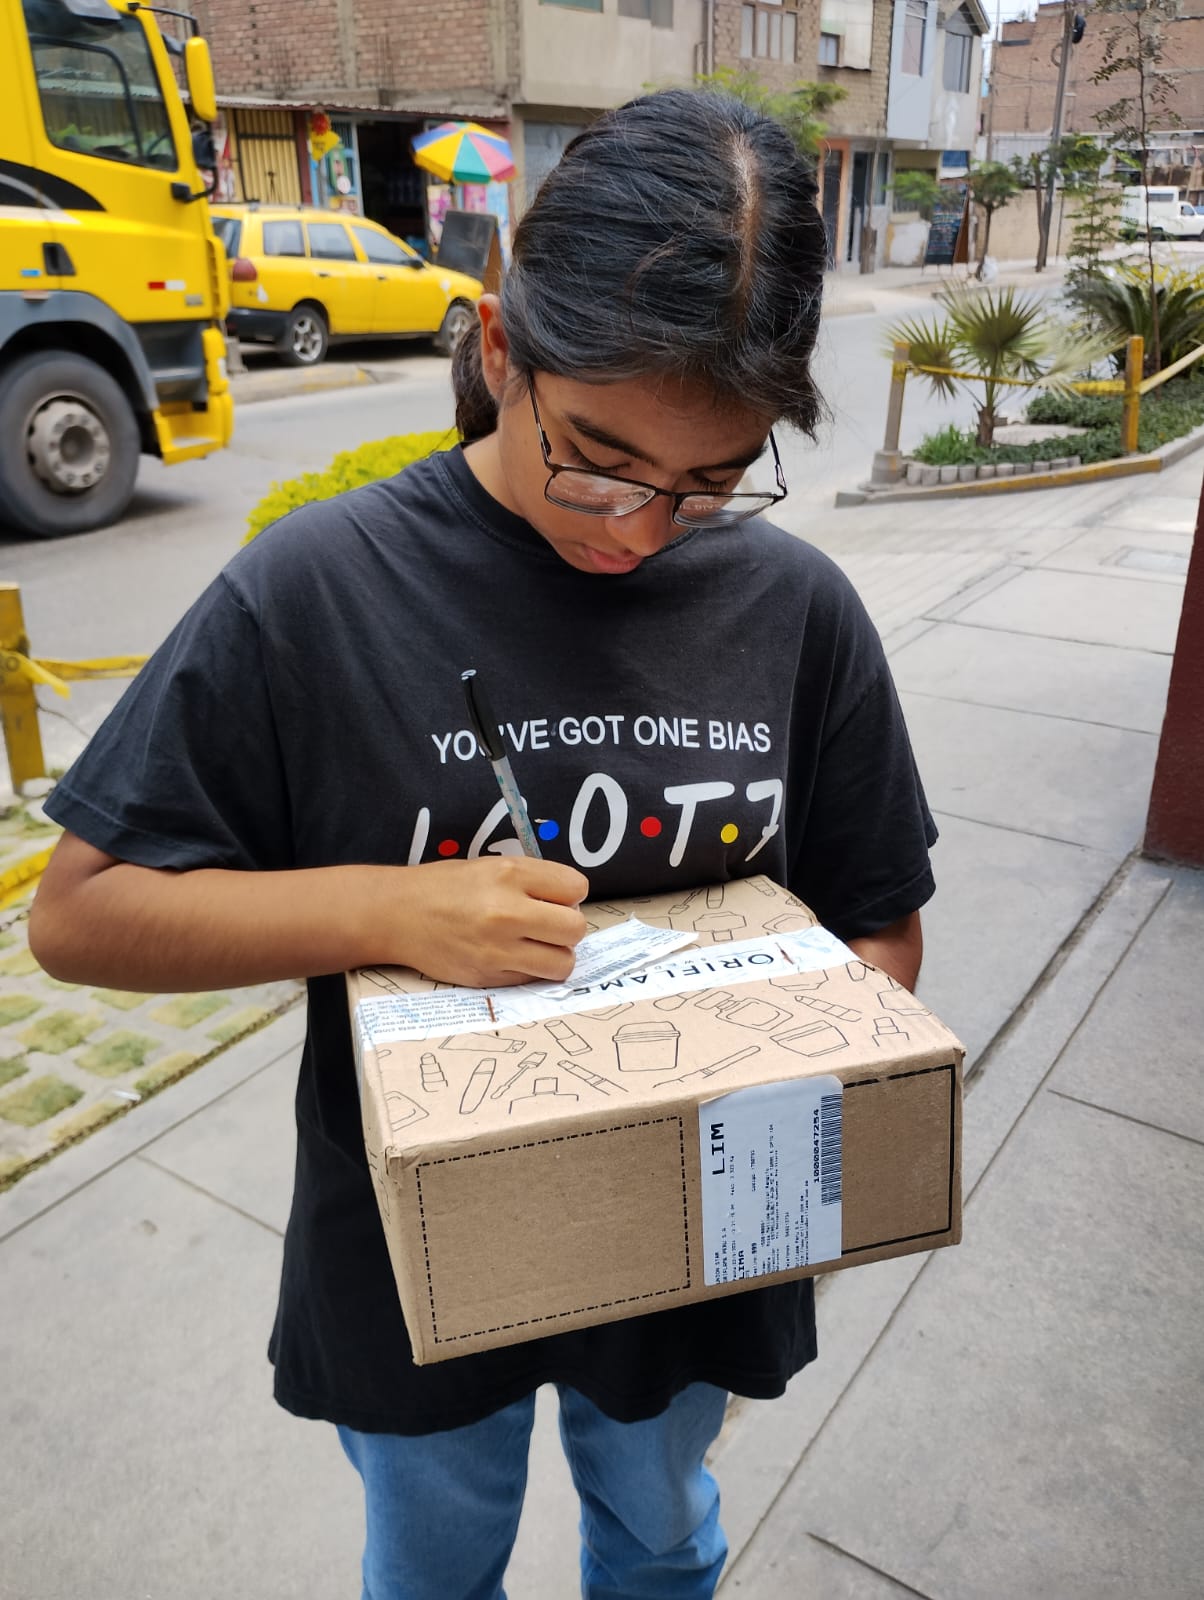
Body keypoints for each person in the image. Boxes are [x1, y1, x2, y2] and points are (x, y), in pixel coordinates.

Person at [30, 89, 936, 1600]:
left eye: (710, 481)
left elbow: (881, 924)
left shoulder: (793, 609)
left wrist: (805, 1062)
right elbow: (81, 915)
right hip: (419, 1245)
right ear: (502, 350)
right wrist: (391, 912)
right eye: (599, 458)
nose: (638, 527)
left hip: (694, 1230)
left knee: (661, 1536)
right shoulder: (319, 590)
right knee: (436, 1561)